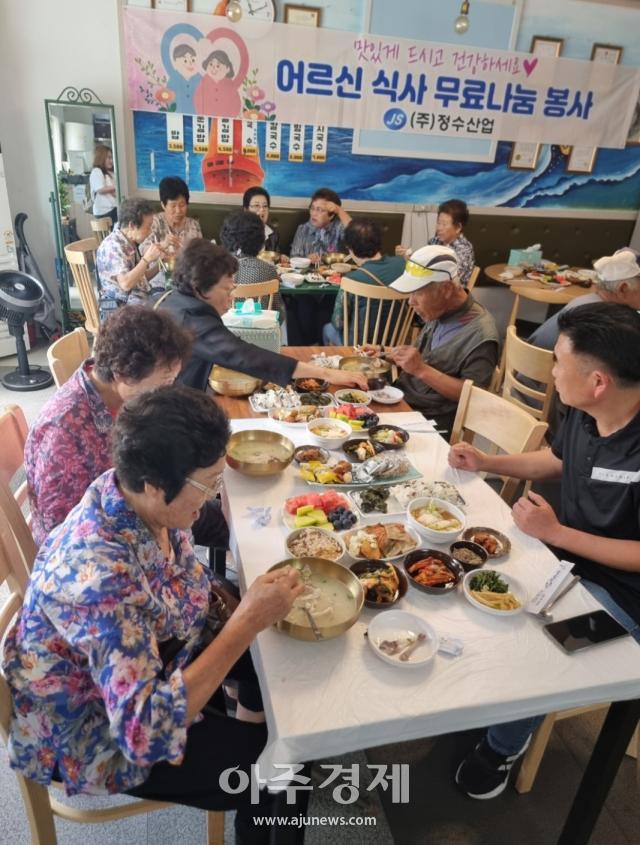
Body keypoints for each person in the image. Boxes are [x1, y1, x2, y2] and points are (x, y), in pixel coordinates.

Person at [4, 385, 304, 844]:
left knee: (281, 668)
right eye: (208, 485)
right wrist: (244, 622)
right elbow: (142, 730)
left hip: (151, 659)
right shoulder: (99, 579)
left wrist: (240, 611)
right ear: (153, 485)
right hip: (96, 728)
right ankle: (258, 792)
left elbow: (179, 582)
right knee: (278, 760)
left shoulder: (133, 497)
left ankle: (250, 739)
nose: (210, 498)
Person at [450, 302, 640, 800]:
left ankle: (502, 748)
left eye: (557, 361)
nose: (550, 372)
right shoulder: (583, 411)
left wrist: (556, 534)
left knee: (545, 646)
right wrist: (487, 459)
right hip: (566, 564)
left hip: (626, 595)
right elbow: (557, 459)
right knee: (474, 588)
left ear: (598, 381)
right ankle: (494, 701)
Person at [159, 239, 368, 392]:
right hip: (169, 407)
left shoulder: (176, 298)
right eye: (227, 290)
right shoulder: (191, 321)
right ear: (200, 289)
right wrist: (327, 373)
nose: (232, 298)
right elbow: (244, 356)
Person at [366, 245, 499, 434]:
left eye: (418, 292)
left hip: (428, 423)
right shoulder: (440, 310)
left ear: (445, 289)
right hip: (402, 401)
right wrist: (383, 351)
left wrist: (421, 370)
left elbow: (475, 397)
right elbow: (424, 357)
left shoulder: (481, 334)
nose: (411, 302)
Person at [528, 248, 640, 351]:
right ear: (623, 289)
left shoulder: (587, 301)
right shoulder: (606, 321)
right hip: (541, 370)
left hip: (525, 364)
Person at [322, 218, 406, 346]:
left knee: (328, 328)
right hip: (394, 345)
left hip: (359, 348)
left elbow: (338, 322)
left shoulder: (351, 280)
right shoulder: (402, 264)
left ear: (350, 248)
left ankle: (334, 365)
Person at [96, 198, 169, 317]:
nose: (150, 232)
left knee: (170, 301)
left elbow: (139, 277)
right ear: (132, 226)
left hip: (133, 303)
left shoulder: (128, 242)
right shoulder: (114, 246)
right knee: (169, 314)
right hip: (117, 311)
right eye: (148, 226)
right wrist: (146, 259)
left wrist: (160, 263)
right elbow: (126, 283)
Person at [396, 199, 475, 287]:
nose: (439, 228)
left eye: (444, 224)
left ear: (458, 228)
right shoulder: (435, 241)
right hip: (430, 290)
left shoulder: (464, 249)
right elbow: (424, 265)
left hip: (450, 296)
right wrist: (409, 256)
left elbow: (449, 280)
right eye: (438, 223)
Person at [141, 176, 203, 287]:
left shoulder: (193, 225)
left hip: (186, 285)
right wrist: (163, 245)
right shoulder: (153, 223)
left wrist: (183, 250)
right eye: (173, 206)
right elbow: (144, 251)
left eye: (182, 205)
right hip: (158, 284)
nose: (178, 211)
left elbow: (200, 256)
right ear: (163, 205)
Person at [219, 210, 282, 312]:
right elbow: (277, 312)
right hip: (260, 326)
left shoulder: (217, 268)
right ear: (260, 239)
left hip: (224, 326)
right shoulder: (269, 271)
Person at [290, 187, 352, 264]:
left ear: (331, 215)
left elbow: (357, 236)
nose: (314, 214)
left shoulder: (339, 227)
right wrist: (307, 259)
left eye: (319, 210)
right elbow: (293, 257)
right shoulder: (303, 228)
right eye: (312, 208)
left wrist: (339, 210)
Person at [193, 31, 249, 117]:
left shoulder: (230, 86)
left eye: (218, 65)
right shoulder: (203, 83)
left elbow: (236, 103)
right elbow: (198, 99)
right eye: (211, 64)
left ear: (227, 69)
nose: (214, 68)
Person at [243, 186, 279, 253]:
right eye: (257, 205)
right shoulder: (236, 233)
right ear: (246, 210)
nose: (262, 209)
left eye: (265, 206)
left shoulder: (272, 234)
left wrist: (281, 258)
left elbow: (274, 258)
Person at [89, 145, 117, 226]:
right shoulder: (97, 171)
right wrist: (117, 187)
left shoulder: (110, 173)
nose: (111, 161)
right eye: (108, 158)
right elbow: (100, 189)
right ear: (102, 158)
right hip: (105, 212)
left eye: (112, 158)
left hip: (112, 209)